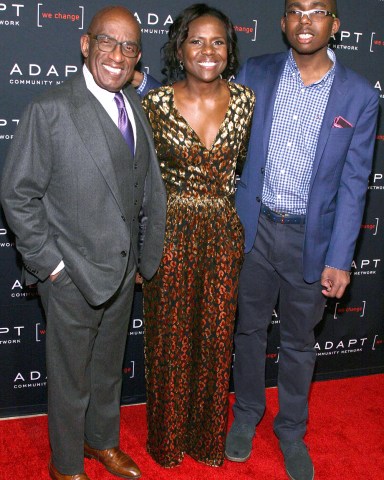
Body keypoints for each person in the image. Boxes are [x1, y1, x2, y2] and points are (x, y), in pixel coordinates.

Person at [0, 6, 166, 480]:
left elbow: (144, 183)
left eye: (129, 46)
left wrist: (142, 255)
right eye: (108, 42)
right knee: (71, 379)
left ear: (138, 56)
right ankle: (66, 465)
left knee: (108, 370)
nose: (118, 54)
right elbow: (18, 193)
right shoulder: (49, 110)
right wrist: (51, 266)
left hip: (121, 270)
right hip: (70, 273)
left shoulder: (133, 102)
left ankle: (102, 442)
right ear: (85, 44)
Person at [224, 1, 379, 480]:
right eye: (296, 10)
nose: (305, 20)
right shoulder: (255, 71)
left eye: (318, 11)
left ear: (335, 24)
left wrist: (341, 258)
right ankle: (247, 414)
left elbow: (355, 184)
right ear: (284, 21)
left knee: (298, 342)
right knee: (246, 331)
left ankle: (291, 428)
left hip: (311, 241)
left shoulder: (358, 95)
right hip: (254, 229)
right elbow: (211, 120)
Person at [139, 3, 255, 468]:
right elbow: (138, 182)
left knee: (214, 339)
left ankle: (207, 440)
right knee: (168, 340)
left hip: (223, 233)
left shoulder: (247, 101)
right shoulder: (154, 104)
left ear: (230, 48)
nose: (208, 51)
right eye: (197, 40)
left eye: (218, 41)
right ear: (179, 48)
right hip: (170, 232)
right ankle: (167, 441)